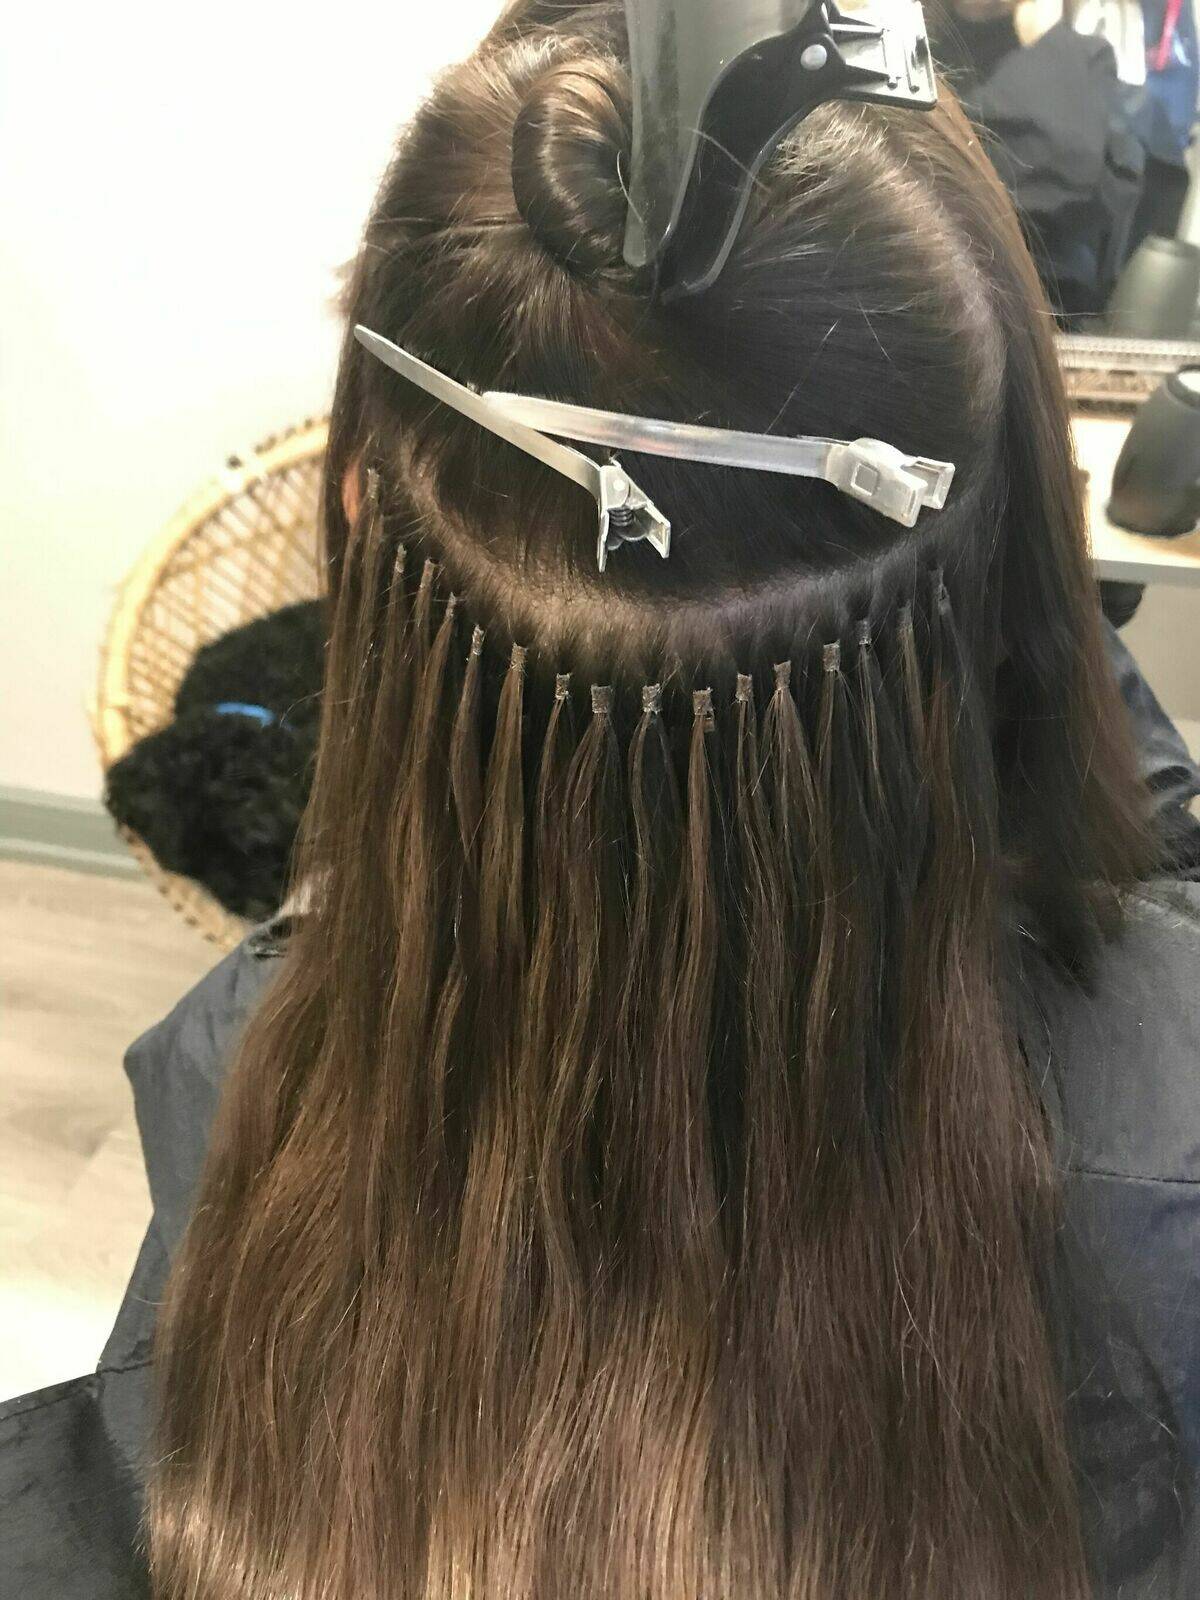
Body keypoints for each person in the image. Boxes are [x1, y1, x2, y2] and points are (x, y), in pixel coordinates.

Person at [4, 2, 1200, 1596]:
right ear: (1011, 554)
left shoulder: (236, 1079)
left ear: (357, 511)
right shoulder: (1162, 1104)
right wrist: (986, 597)